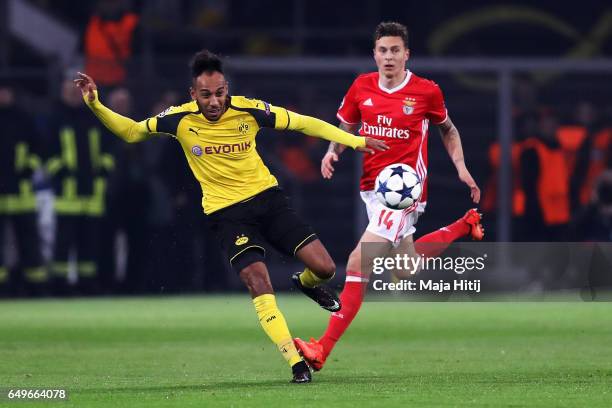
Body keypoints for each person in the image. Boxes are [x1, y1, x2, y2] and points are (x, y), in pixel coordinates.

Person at [74, 49, 387, 383]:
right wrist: (95, 103)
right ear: (193, 95)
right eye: (206, 95)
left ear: (228, 89)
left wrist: (353, 141)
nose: (214, 101)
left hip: (268, 201)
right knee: (258, 281)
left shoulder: (249, 110)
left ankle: (305, 283)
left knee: (324, 268)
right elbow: (132, 132)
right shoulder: (178, 119)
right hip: (227, 214)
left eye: (220, 93)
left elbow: (302, 123)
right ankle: (295, 362)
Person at [294, 21, 483, 371]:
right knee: (403, 269)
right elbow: (347, 126)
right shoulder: (361, 86)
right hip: (372, 189)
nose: (389, 57)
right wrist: (332, 151)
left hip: (404, 192)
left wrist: (461, 167)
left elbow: (448, 129)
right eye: (383, 50)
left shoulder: (426, 91)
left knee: (356, 262)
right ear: (375, 54)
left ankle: (321, 348)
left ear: (406, 54)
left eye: (396, 50)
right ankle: (463, 226)